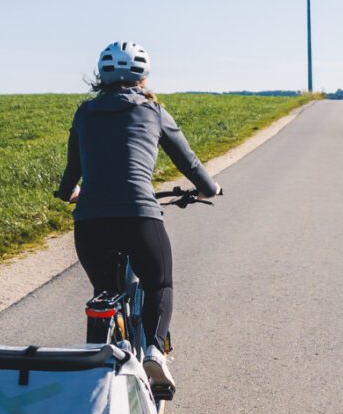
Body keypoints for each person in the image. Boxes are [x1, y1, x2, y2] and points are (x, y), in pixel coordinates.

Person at [56, 41, 222, 392]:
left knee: (104, 291)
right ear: (143, 76)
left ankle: (100, 364)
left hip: (90, 224)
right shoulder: (153, 111)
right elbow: (188, 162)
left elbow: (74, 169)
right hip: (139, 216)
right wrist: (208, 190)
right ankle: (154, 352)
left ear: (101, 76)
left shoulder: (85, 113)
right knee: (158, 284)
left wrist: (70, 191)